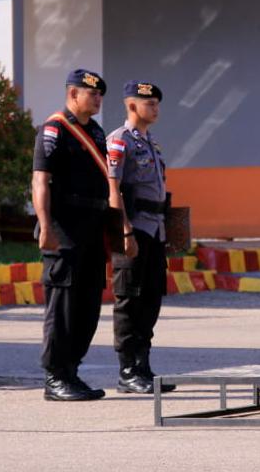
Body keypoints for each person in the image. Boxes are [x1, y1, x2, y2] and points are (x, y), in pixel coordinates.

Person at [32, 68, 110, 401]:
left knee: (88, 305)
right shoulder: (55, 130)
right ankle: (55, 376)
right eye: (91, 93)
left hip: (91, 229)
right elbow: (40, 181)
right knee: (62, 306)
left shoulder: (96, 131)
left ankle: (72, 371)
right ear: (73, 94)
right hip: (64, 229)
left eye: (99, 94)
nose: (97, 98)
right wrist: (46, 226)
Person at [108, 80, 177, 393]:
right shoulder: (120, 141)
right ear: (131, 105)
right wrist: (124, 230)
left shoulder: (152, 144)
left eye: (157, 103)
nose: (155, 108)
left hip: (155, 230)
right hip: (133, 229)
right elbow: (114, 189)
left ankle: (143, 366)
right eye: (149, 103)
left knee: (150, 299)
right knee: (130, 299)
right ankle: (127, 370)